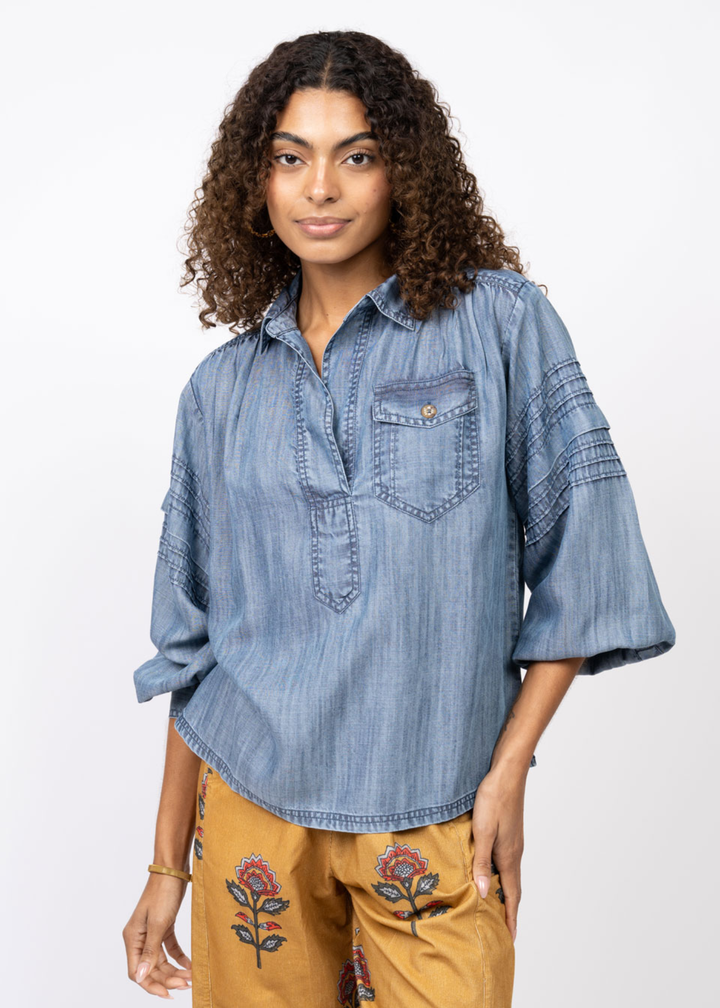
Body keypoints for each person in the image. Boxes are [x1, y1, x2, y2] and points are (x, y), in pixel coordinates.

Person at [122, 30, 676, 1007]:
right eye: (291, 157)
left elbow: (590, 564)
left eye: (357, 155)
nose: (320, 188)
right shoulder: (219, 392)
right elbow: (193, 651)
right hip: (253, 816)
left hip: (430, 809)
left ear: (403, 170)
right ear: (256, 179)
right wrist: (167, 869)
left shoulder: (499, 327)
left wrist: (507, 777)